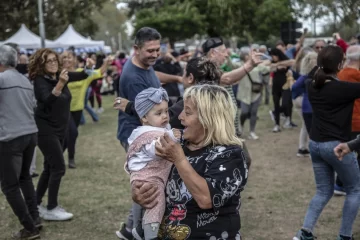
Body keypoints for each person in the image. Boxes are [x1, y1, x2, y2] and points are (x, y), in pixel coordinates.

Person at [132, 84, 248, 239]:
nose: (179, 117)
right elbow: (152, 176)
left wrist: (179, 159)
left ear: (209, 119)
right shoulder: (179, 146)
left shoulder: (231, 154)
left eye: (187, 112)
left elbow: (206, 199)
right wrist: (139, 193)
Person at [116, 27, 183, 240]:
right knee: (146, 184)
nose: (155, 55)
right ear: (136, 49)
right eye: (150, 51)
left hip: (151, 129)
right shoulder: (133, 77)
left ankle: (130, 228)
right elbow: (148, 113)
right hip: (139, 134)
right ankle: (136, 229)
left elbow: (154, 77)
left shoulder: (145, 66)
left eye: (157, 49)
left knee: (148, 180)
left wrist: (177, 79)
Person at [293, 46, 360, 240]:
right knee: (354, 189)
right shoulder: (343, 88)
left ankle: (305, 232)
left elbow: (317, 70)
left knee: (323, 191)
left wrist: (324, 60)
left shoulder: (312, 85)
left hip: (315, 144)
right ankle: (345, 236)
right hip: (337, 146)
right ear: (340, 64)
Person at [29, 48, 89, 221]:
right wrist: (61, 84)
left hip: (60, 130)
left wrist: (89, 67)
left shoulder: (59, 76)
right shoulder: (40, 80)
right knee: (58, 167)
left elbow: (82, 75)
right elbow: (46, 100)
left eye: (55, 60)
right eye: (49, 61)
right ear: (42, 64)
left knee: (49, 168)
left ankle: (35, 203)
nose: (54, 63)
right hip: (46, 131)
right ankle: (51, 208)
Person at [125, 87, 181, 240]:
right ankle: (151, 235)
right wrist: (173, 136)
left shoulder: (157, 128)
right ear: (144, 117)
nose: (165, 116)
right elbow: (155, 148)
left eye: (166, 111)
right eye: (158, 113)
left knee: (144, 204)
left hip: (148, 175)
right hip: (148, 175)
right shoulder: (147, 133)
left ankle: (137, 229)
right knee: (155, 204)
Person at [0, 45, 41, 239]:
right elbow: (33, 106)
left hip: (10, 137)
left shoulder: (1, 80)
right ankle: (35, 219)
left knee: (9, 185)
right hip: (30, 133)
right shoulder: (25, 81)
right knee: (24, 178)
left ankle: (29, 227)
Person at [61, 50, 110, 168]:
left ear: (75, 60)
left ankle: (58, 157)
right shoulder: (59, 74)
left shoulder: (82, 73)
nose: (67, 60)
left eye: (69, 57)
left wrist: (106, 62)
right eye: (64, 57)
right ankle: (69, 159)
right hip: (63, 110)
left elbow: (99, 72)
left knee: (70, 136)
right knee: (73, 132)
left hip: (78, 109)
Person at [334, 45, 360, 195]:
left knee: (347, 153)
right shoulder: (356, 75)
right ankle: (347, 184)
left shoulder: (340, 74)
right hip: (357, 120)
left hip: (343, 120)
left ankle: (340, 183)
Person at [291, 52, 317, 157]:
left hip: (308, 107)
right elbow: (294, 87)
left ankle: (304, 149)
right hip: (312, 107)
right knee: (313, 131)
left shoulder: (305, 76)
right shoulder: (309, 76)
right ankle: (310, 151)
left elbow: (294, 87)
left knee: (308, 129)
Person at [269, 48, 295, 132]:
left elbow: (292, 62)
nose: (273, 57)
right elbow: (270, 69)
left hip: (285, 85)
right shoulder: (272, 62)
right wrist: (274, 66)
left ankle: (277, 113)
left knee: (285, 103)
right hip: (276, 86)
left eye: (274, 55)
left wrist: (278, 64)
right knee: (276, 104)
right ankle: (277, 125)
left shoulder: (286, 60)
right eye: (272, 56)